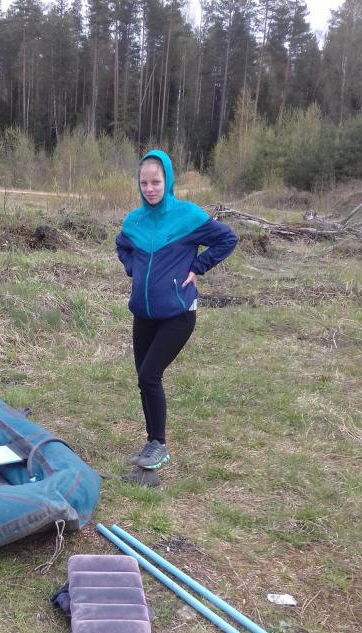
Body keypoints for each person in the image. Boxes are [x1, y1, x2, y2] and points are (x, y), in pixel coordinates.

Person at [116, 149, 238, 471]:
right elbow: (122, 245)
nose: (150, 188)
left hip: (178, 313)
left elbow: (227, 239)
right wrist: (133, 269)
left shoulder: (187, 216)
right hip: (143, 313)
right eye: (144, 182)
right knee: (144, 380)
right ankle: (151, 441)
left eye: (156, 181)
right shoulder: (134, 220)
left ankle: (159, 445)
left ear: (167, 180)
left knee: (149, 375)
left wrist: (198, 265)